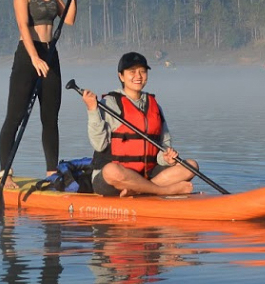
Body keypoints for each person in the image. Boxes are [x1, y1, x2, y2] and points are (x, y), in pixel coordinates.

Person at [0, 0, 83, 186]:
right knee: (15, 116)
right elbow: (23, 26)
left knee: (50, 117)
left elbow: (69, 20)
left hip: (50, 53)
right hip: (28, 55)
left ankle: (51, 173)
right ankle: (5, 173)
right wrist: (34, 57)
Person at [80, 52, 195, 197]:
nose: (138, 76)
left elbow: (163, 144)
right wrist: (92, 109)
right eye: (132, 71)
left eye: (142, 71)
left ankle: (138, 190)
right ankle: (164, 190)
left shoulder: (154, 106)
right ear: (121, 76)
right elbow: (99, 145)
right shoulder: (109, 103)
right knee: (111, 171)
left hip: (147, 174)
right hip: (115, 178)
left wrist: (165, 158)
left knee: (191, 166)